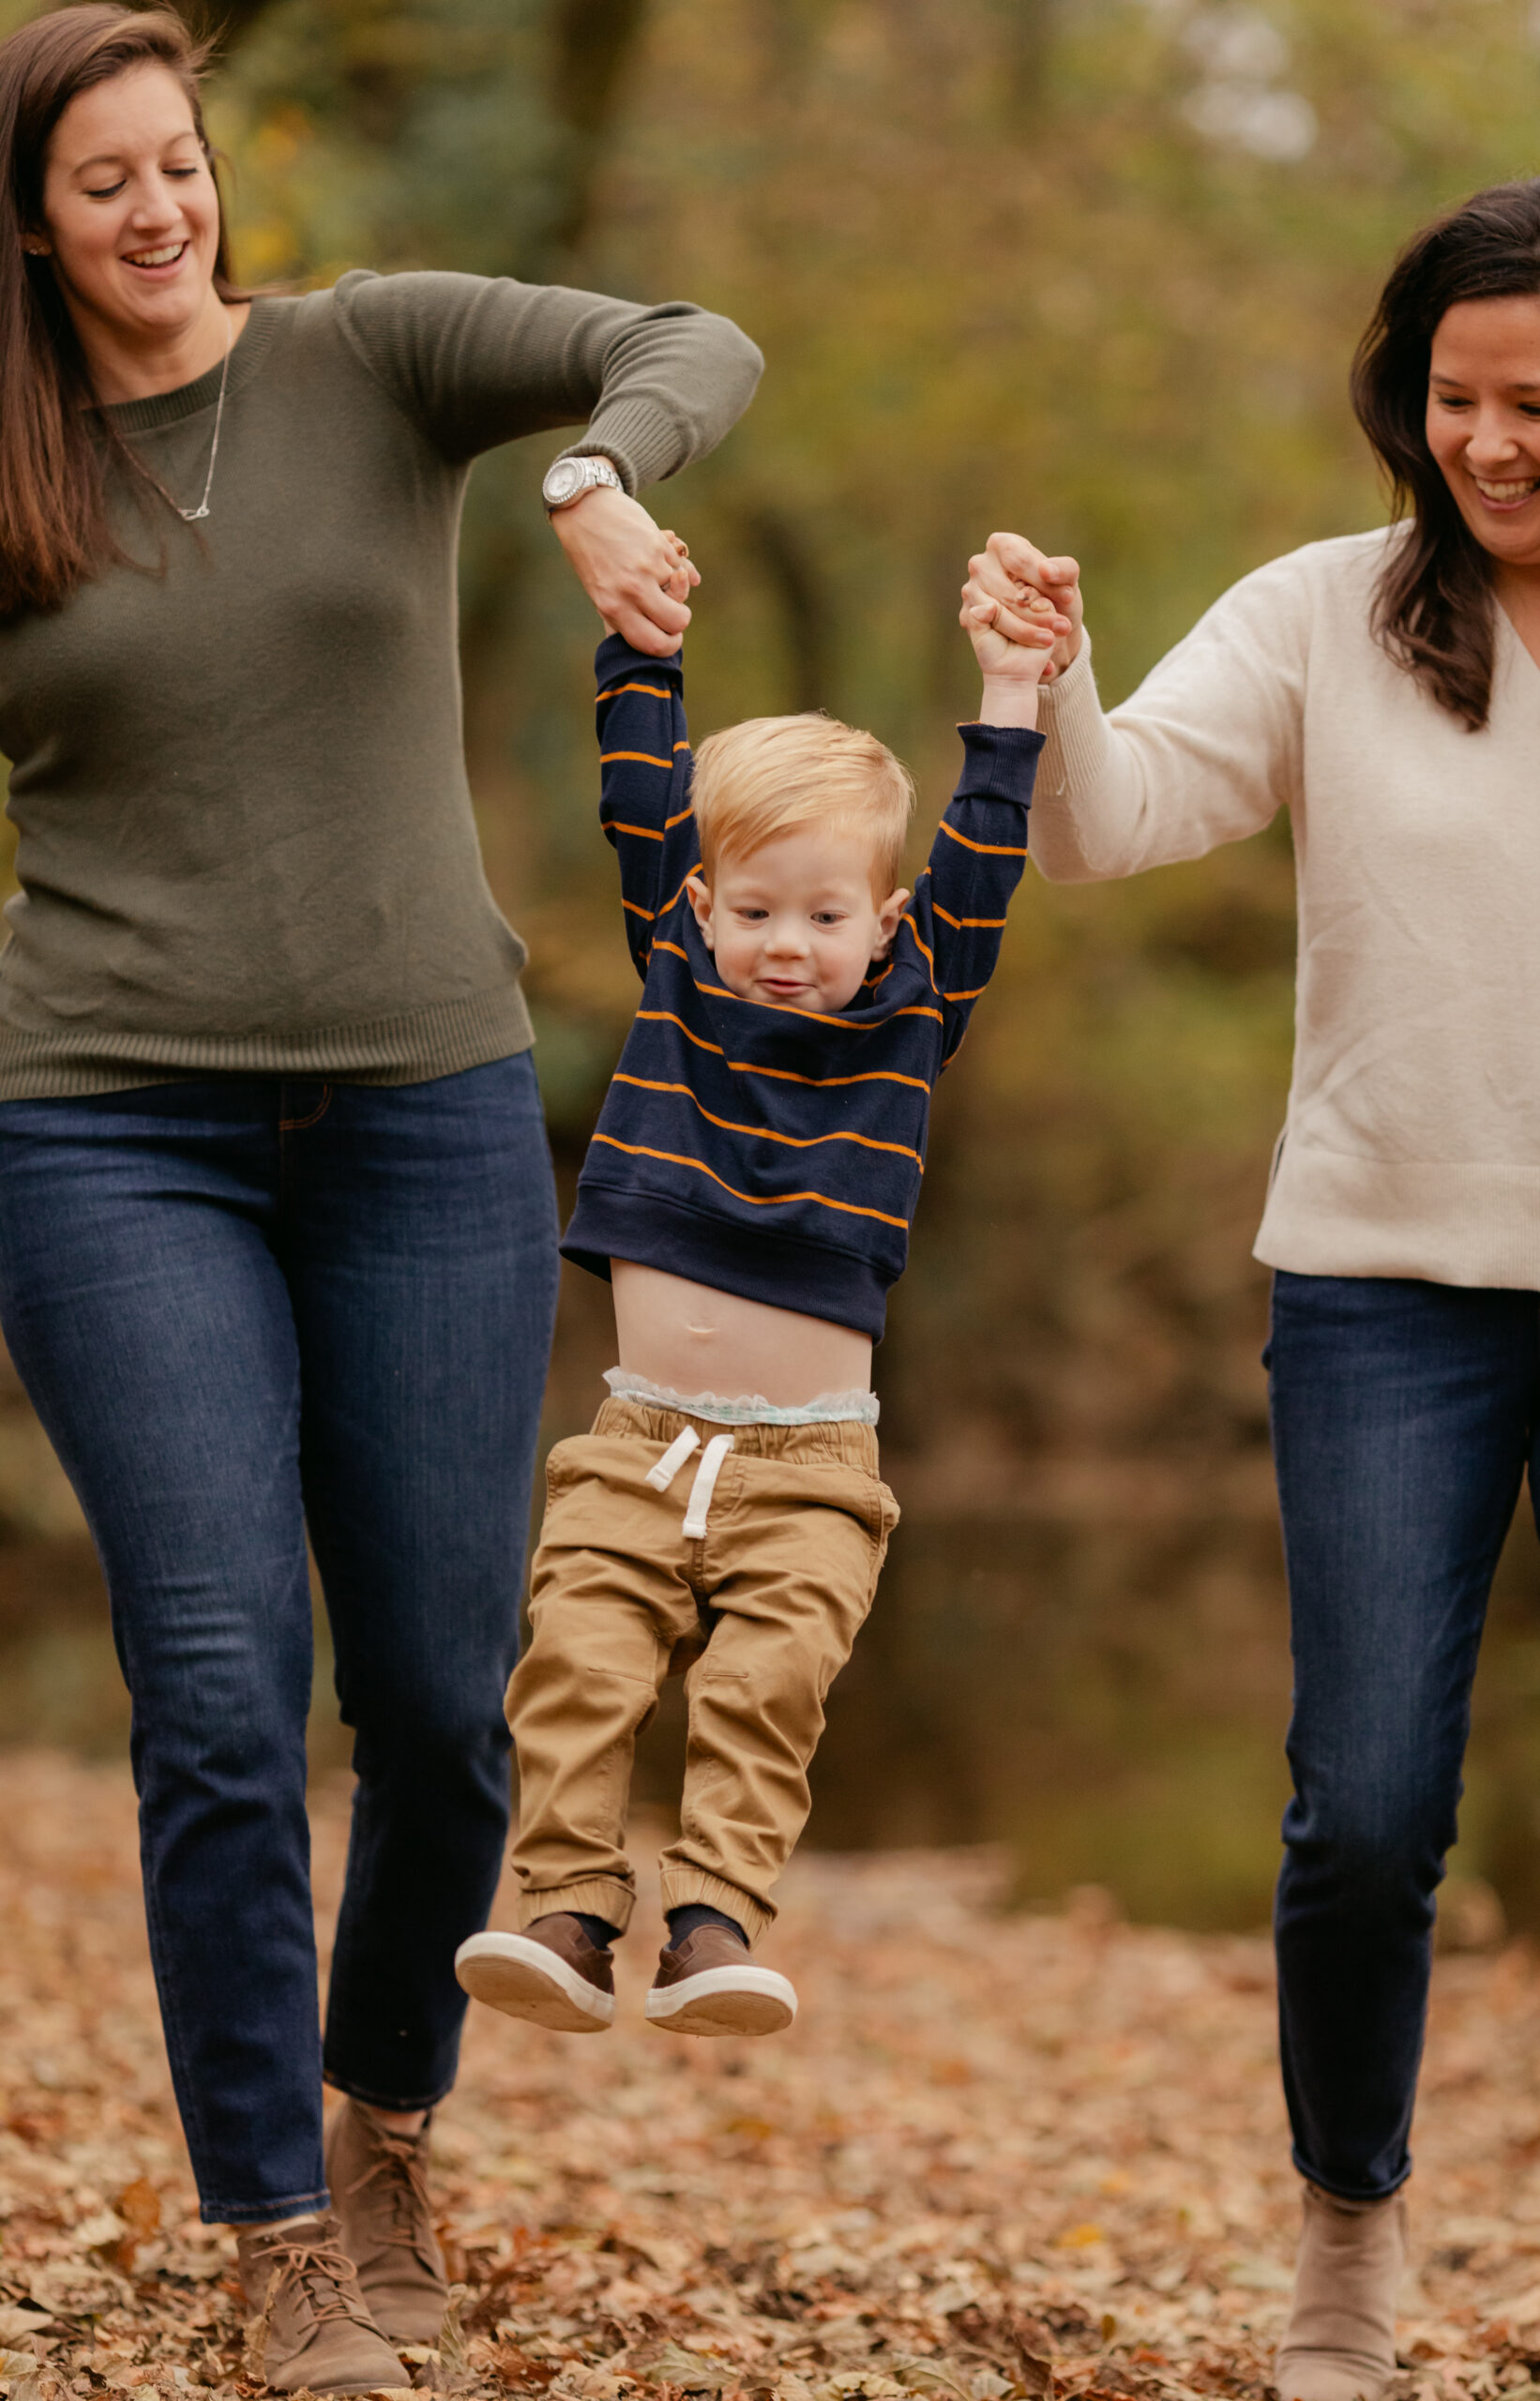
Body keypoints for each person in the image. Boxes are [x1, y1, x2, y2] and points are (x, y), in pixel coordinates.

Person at [0, 6, 761, 2391]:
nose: (159, 208)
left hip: (429, 1110)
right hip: (106, 1125)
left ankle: (380, 2127)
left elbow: (684, 335)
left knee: (445, 1703)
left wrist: (596, 476)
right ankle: (267, 2232)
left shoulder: (375, 356)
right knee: (222, 1687)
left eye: (179, 159)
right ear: (29, 222)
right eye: (101, 179)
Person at [964, 174, 1540, 2401]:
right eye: (1450, 400)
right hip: (1378, 1291)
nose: (1487, 445)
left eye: (1534, 402)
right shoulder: (1332, 614)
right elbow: (1108, 819)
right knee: (1359, 1809)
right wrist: (1034, 685)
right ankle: (1348, 2226)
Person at [453, 563, 1047, 2037]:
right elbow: (642, 793)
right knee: (578, 1661)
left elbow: (986, 847)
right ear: (703, 907)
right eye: (759, 910)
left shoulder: (914, 1010)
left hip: (811, 1467)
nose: (790, 943)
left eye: (826, 915)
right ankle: (573, 1914)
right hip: (641, 1438)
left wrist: (1013, 692)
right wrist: (635, 634)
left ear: (885, 921)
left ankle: (713, 1921)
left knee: (764, 1689)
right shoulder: (678, 976)